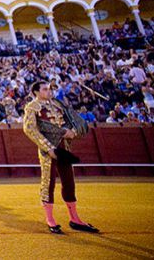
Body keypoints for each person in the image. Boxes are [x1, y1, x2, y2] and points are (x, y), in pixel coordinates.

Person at [23, 81, 98, 234]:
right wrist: (48, 147)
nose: (48, 92)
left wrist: (72, 131)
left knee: (69, 182)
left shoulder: (58, 104)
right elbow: (30, 129)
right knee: (48, 183)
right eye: (44, 89)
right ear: (36, 92)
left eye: (49, 89)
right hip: (49, 150)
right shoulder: (32, 107)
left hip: (64, 147)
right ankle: (50, 219)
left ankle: (75, 218)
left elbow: (70, 121)